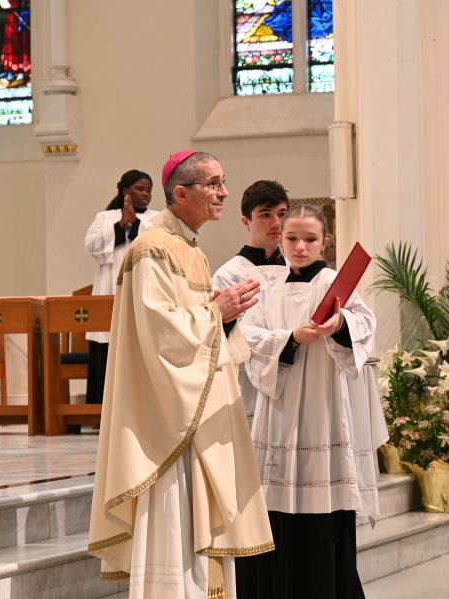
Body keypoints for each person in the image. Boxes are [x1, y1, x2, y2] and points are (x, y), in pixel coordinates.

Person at [87, 151, 274, 599]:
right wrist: (218, 311)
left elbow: (195, 328)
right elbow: (160, 333)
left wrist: (224, 315)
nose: (224, 192)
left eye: (223, 182)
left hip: (197, 414)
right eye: (214, 184)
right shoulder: (152, 248)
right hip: (170, 423)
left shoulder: (190, 248)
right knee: (175, 526)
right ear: (182, 193)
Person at [238, 204, 388, 599]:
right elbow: (248, 338)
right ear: (280, 239)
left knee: (321, 518)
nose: (300, 247)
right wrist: (291, 339)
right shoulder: (266, 287)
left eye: (309, 239)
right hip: (278, 411)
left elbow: (364, 326)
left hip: (322, 408)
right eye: (292, 238)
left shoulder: (335, 283)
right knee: (273, 512)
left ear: (325, 242)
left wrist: (339, 325)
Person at [212, 180, 289, 431]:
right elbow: (230, 338)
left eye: (282, 214)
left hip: (295, 381)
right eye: (265, 215)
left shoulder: (297, 269)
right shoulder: (230, 275)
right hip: (250, 388)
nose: (276, 223)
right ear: (246, 221)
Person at [83, 169, 158, 404]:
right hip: (108, 292)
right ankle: (101, 408)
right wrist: (119, 226)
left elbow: (158, 248)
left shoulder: (156, 219)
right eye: (140, 189)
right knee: (107, 343)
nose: (146, 194)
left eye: (148, 190)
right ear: (125, 191)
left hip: (143, 291)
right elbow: (92, 247)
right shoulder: (104, 218)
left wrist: (135, 225)